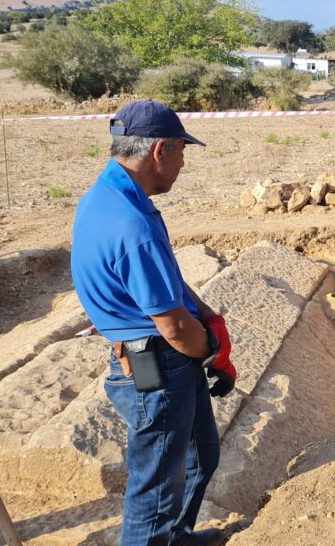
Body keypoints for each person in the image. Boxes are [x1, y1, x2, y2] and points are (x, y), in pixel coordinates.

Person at [70, 100, 236, 546]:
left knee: (200, 457)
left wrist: (207, 315)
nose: (183, 163)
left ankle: (176, 538)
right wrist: (215, 352)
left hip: (164, 360)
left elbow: (166, 281)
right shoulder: (131, 225)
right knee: (156, 490)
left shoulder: (110, 197)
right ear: (161, 150)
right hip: (156, 368)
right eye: (182, 150)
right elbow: (174, 329)